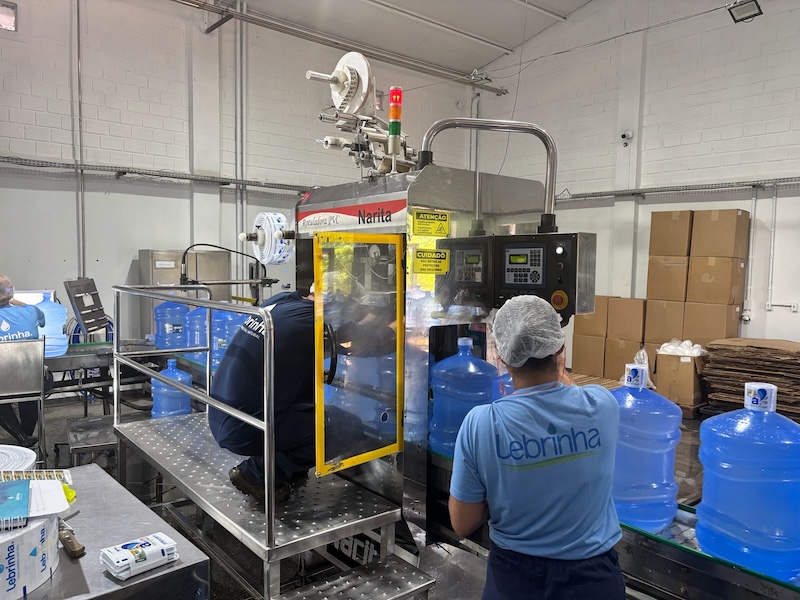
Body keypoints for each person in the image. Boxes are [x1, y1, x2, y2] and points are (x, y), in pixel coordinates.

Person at [448, 295, 624, 600]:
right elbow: (567, 389)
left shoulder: (482, 423)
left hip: (514, 581)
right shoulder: (602, 405)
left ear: (501, 358)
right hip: (592, 581)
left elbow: (462, 524)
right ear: (561, 349)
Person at [209, 290, 316, 504]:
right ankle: (255, 473)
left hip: (218, 414)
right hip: (244, 428)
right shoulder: (309, 317)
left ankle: (287, 471)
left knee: (305, 405)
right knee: (338, 428)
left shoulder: (282, 300)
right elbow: (361, 342)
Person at [0, 274, 43, 448]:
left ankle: (21, 437)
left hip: (4, 382)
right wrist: (13, 300)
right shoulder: (31, 311)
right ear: (12, 292)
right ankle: (26, 437)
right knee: (29, 391)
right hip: (33, 380)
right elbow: (42, 320)